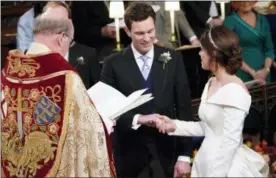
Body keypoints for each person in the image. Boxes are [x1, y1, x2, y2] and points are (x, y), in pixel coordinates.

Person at [1, 4, 115, 178]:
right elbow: (87, 132)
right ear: (62, 38)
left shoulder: (9, 72)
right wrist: (105, 123)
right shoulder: (66, 77)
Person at [153, 25, 269, 177]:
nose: (199, 54)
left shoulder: (234, 90)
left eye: (202, 49)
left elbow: (230, 142)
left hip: (225, 167)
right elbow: (209, 128)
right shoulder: (211, 82)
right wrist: (174, 125)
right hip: (206, 160)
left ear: (213, 53)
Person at [101, 2, 193, 178]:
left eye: (150, 31)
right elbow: (108, 112)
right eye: (139, 33)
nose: (146, 38)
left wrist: (184, 156)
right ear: (127, 32)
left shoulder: (173, 58)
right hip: (130, 154)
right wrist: (139, 119)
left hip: (168, 152)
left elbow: (184, 108)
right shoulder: (112, 64)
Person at [224, 1, 275, 85]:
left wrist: (266, 70)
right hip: (242, 74)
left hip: (264, 75)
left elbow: (269, 49)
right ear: (235, 2)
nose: (246, 2)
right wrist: (252, 72)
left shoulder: (262, 19)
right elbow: (230, 53)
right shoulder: (229, 21)